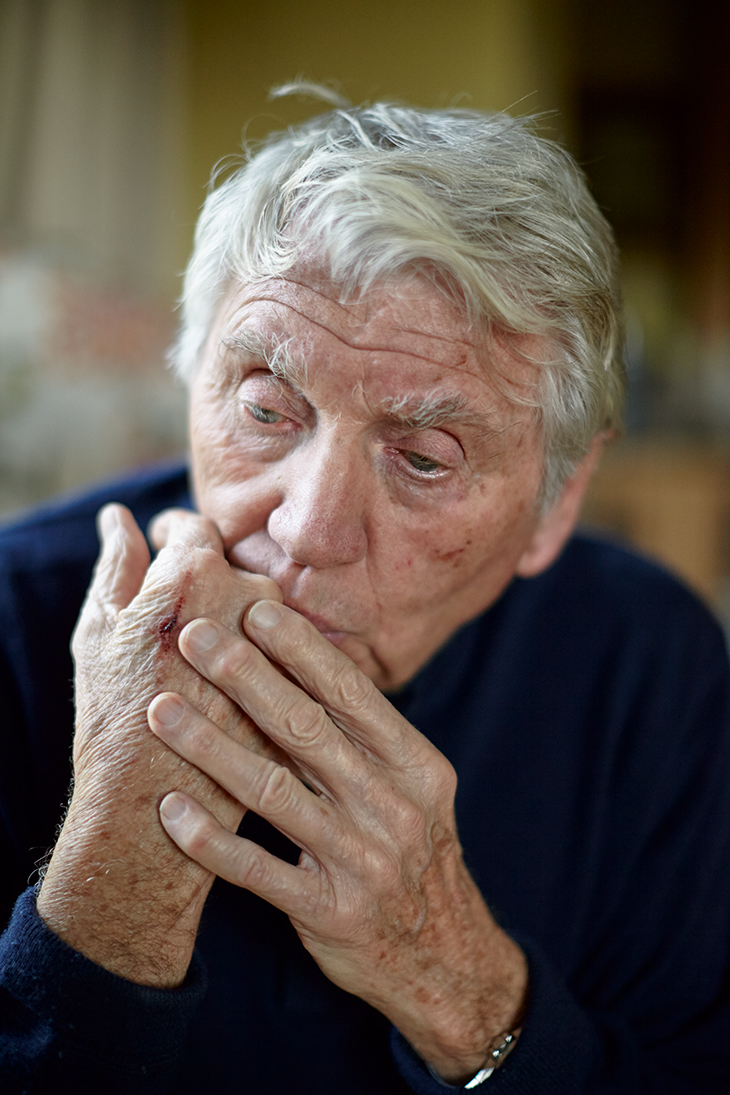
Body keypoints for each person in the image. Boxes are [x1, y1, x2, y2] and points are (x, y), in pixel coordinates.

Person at [1, 93, 729, 1095]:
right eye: (265, 408)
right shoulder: (11, 619)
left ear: (557, 502)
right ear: (190, 386)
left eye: (424, 458)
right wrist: (114, 880)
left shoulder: (649, 663)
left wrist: (453, 976)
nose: (304, 528)